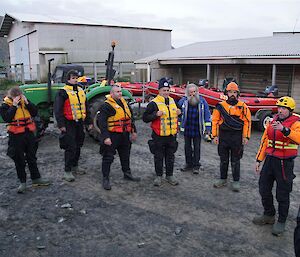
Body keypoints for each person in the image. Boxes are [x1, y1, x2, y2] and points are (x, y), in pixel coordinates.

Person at [253, 96, 300, 236]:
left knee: (282, 193)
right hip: (270, 161)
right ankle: (269, 215)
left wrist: (284, 129)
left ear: (290, 110)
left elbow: (298, 137)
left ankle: (281, 220)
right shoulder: (273, 120)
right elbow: (265, 141)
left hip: (284, 163)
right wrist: (259, 159)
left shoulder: (296, 122)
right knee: (263, 188)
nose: (280, 110)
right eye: (279, 107)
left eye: (284, 108)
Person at [0, 87, 50, 193]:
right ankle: (22, 182)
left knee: (32, 156)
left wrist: (27, 103)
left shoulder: (25, 102)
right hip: (16, 135)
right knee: (19, 159)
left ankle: (36, 178)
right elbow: (7, 118)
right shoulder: (5, 105)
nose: (19, 98)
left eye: (20, 96)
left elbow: (34, 112)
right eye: (16, 96)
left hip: (28, 133)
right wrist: (14, 105)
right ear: (11, 96)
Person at [97, 85, 141, 190]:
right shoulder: (106, 106)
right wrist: (106, 137)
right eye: (117, 92)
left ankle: (127, 173)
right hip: (113, 135)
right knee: (108, 157)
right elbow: (102, 123)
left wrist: (133, 131)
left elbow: (130, 119)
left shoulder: (124, 103)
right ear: (111, 94)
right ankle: (105, 178)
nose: (120, 93)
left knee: (125, 155)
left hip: (124, 134)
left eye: (120, 91)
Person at [211, 82, 251, 192]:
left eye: (234, 92)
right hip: (224, 137)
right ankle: (223, 179)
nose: (232, 94)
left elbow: (247, 122)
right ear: (226, 93)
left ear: (238, 93)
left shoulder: (243, 107)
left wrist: (246, 137)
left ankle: (236, 180)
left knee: (235, 160)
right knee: (223, 160)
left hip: (237, 138)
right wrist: (214, 135)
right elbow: (214, 121)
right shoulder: (220, 106)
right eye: (230, 92)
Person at [54, 70, 93, 182]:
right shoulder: (63, 92)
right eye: (73, 78)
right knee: (70, 147)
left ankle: (75, 166)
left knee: (78, 145)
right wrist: (61, 125)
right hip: (68, 123)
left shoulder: (81, 91)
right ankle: (67, 170)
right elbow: (58, 110)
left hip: (79, 122)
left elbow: (86, 107)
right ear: (68, 79)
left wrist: (89, 122)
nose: (75, 80)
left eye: (76, 78)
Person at [142, 77, 181, 186]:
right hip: (158, 136)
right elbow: (145, 118)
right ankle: (158, 176)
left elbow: (177, 114)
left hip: (171, 135)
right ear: (159, 91)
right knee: (158, 156)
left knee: (170, 156)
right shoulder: (153, 103)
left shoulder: (174, 101)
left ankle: (170, 175)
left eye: (168, 90)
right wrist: (155, 115)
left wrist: (179, 112)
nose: (166, 92)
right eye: (164, 90)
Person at [178, 83, 211, 174]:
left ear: (197, 92)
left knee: (197, 148)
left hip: (198, 129)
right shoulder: (183, 101)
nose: (192, 94)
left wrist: (208, 129)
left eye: (194, 92)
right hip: (187, 129)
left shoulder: (202, 101)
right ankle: (188, 164)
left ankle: (196, 165)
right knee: (187, 148)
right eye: (190, 92)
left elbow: (207, 115)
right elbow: (178, 108)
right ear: (187, 93)